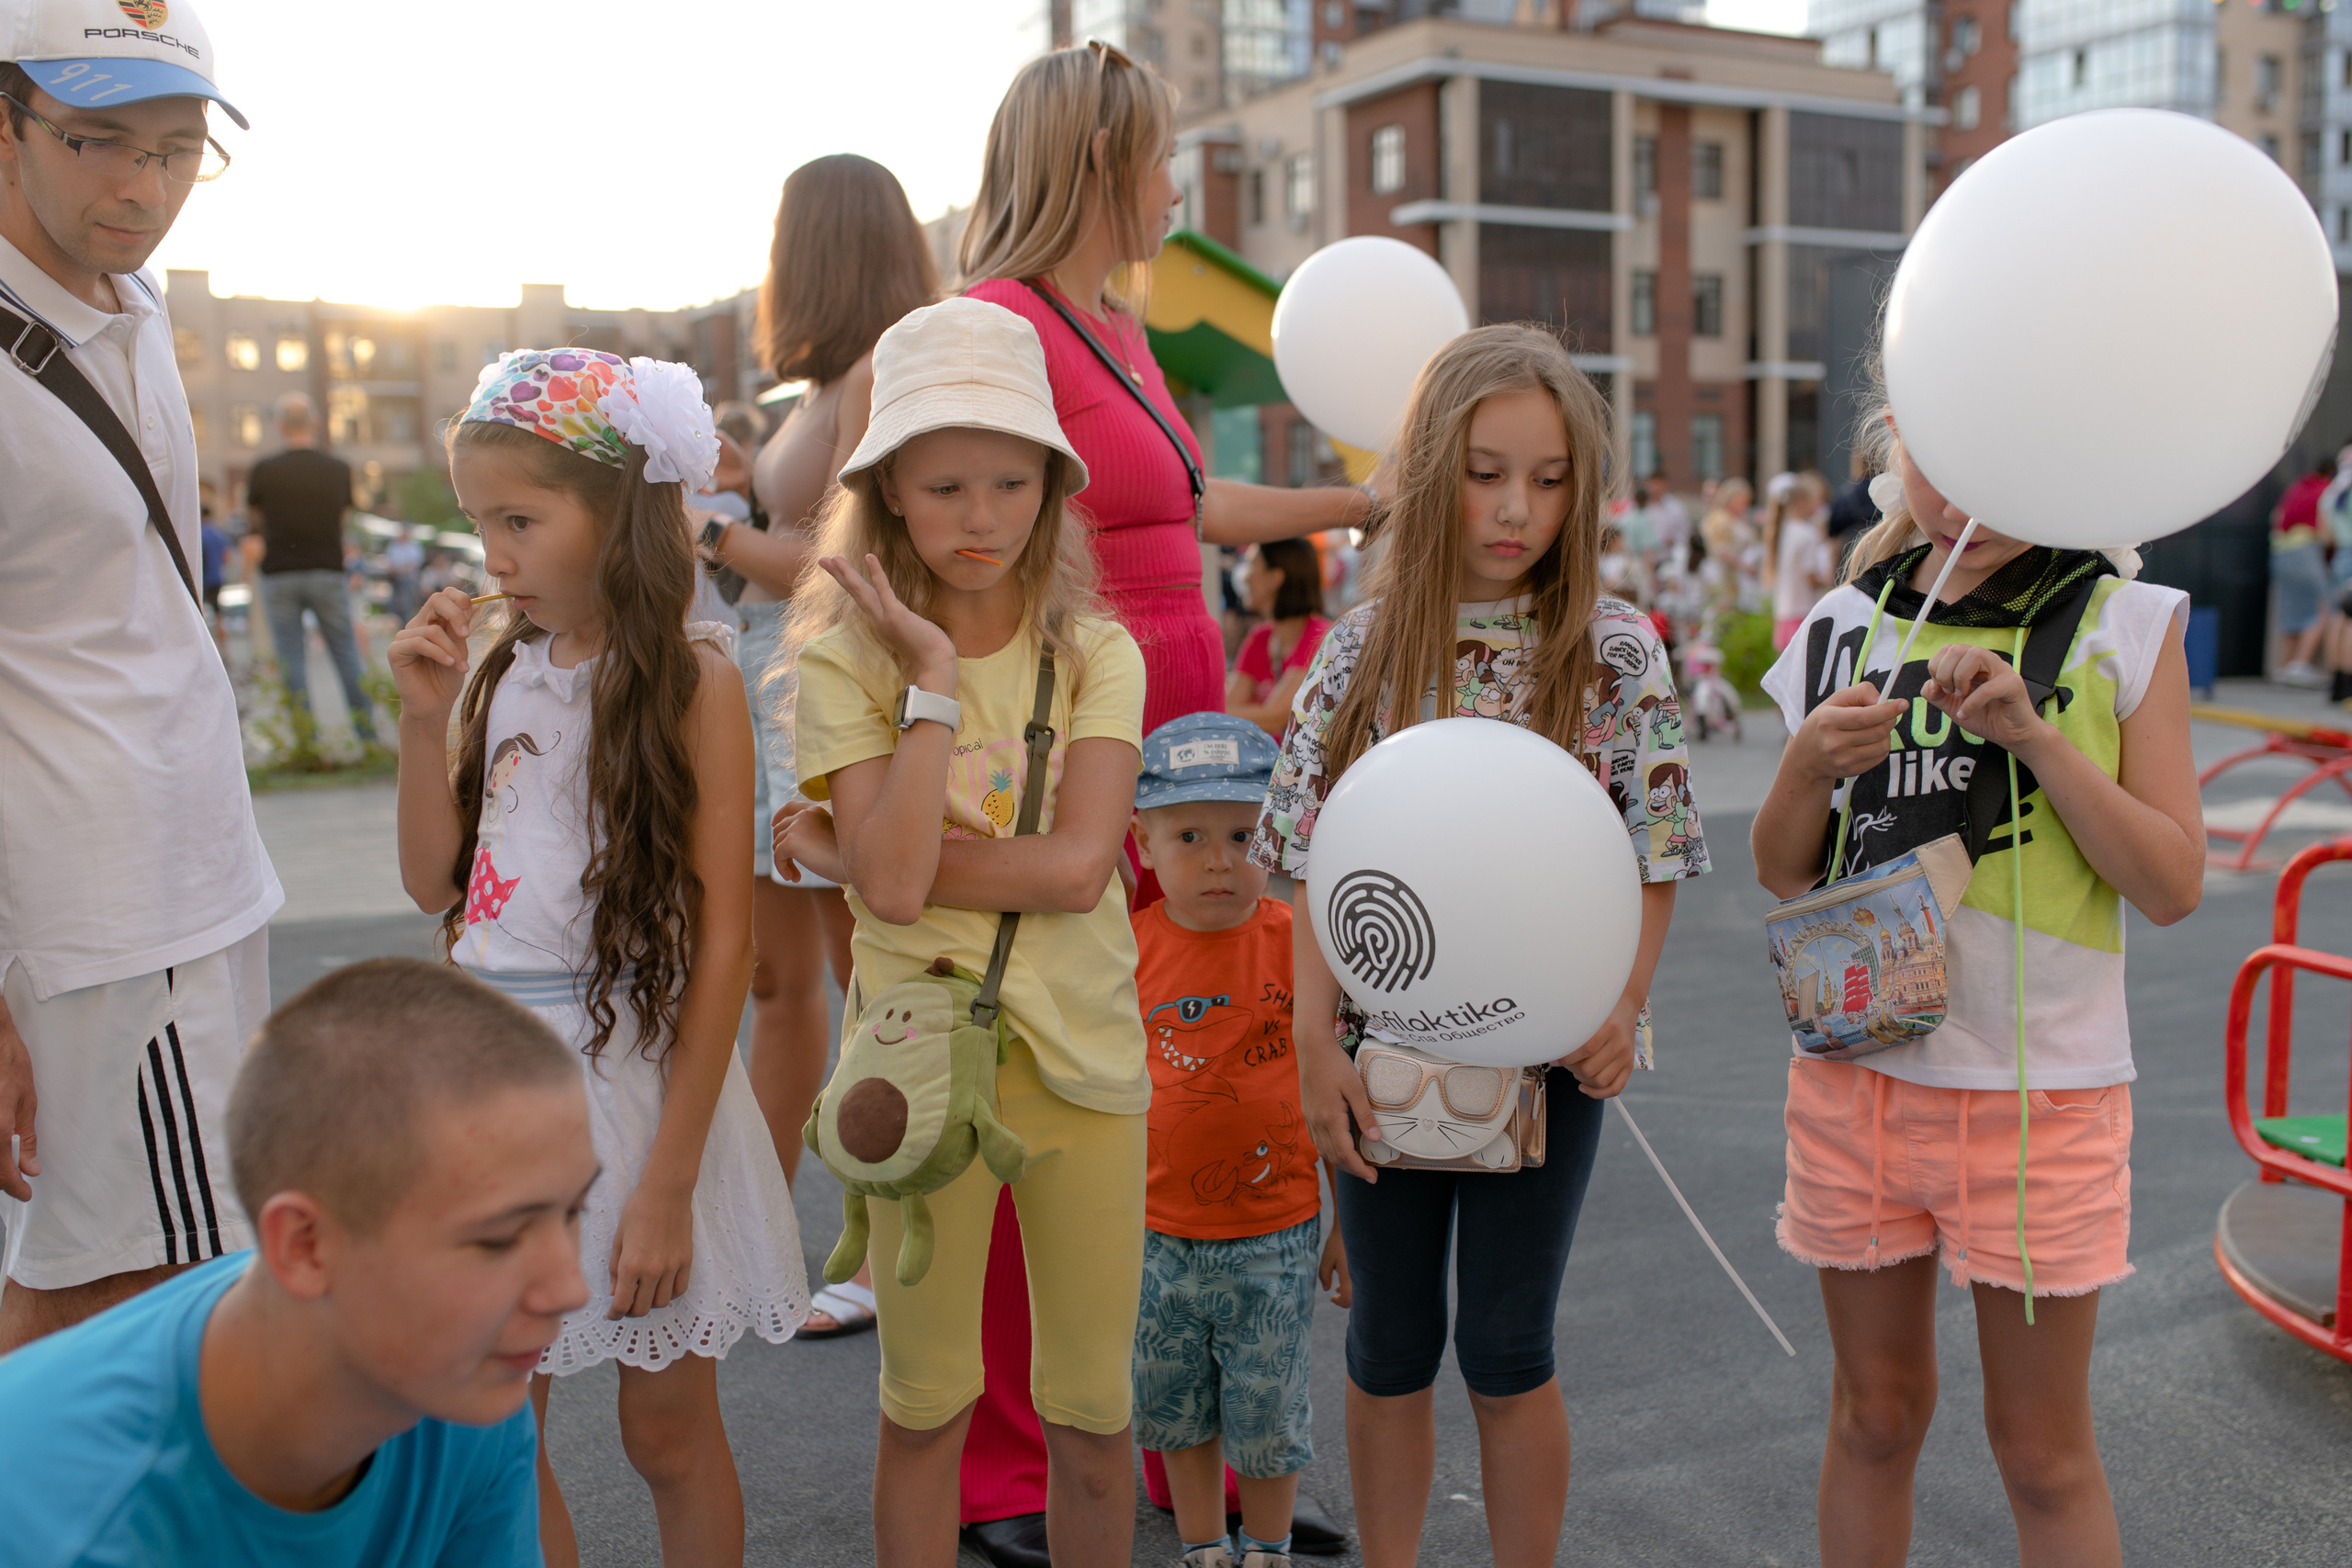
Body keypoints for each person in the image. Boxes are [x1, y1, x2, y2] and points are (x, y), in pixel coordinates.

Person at [952, 47, 1371, 1559]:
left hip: (1184, 734)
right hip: (1088, 743)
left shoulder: (1113, 322)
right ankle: (1010, 1472)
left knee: (1159, 1098)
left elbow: (1189, 511)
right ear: (1096, 160)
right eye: (1162, 158)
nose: (1179, 186)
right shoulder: (997, 327)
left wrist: (1363, 504)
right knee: (1054, 1097)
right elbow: (973, 538)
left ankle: (1161, 1454)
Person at [1253, 325, 1704, 1568]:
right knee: (1389, 1341)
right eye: (1487, 469)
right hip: (1377, 1050)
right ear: (1433, 464)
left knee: (1511, 1348)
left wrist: (1625, 1002)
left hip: (1554, 1055)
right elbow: (1300, 858)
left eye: (1549, 478)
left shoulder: (1614, 653)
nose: (1516, 507)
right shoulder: (1356, 651)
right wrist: (1309, 1046)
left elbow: (1653, 845)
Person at [1750, 385, 2202, 1568]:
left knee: (2042, 1451)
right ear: (1896, 441)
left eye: (2014, 453)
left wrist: (2039, 741)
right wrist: (1804, 763)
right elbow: (1782, 869)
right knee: (1872, 1418)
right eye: (1948, 453)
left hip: (2042, 1096)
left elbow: (2170, 883)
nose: (1975, 493)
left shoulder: (2123, 620)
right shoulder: (1845, 618)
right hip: (1855, 1075)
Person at [390, 349, 808, 1567]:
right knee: (497, 1430)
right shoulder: (497, 668)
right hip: (487, 1088)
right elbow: (435, 881)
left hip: (632, 1086)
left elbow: (726, 939)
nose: (495, 555)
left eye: (518, 519)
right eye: (481, 524)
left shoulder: (692, 677)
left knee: (669, 1425)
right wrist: (423, 719)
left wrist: (669, 1182)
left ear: (617, 514)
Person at [769, 296, 1148, 1568]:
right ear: (884, 496)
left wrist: (883, 852)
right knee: (923, 1398)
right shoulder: (846, 664)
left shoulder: (1098, 651)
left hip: (1084, 1065)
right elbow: (885, 887)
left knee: (1093, 1407)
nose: (980, 516)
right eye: (942, 486)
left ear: (1051, 481)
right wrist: (930, 676)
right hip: (916, 1064)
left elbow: (1081, 861)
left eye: (1009, 480)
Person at [0, 6, 283, 1354]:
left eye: (177, 151)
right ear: (4, 121)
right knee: (121, 1292)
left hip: (193, 876)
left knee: (162, 1269)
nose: (142, 188)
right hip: (101, 913)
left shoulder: (132, 298)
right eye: (95, 139)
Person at [0, 958, 596, 1564]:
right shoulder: (72, 1526)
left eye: (575, 1211)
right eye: (497, 1240)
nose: (569, 1288)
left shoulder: (463, 1384)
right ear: (303, 1245)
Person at [710, 152, 936, 1339]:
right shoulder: (835, 376)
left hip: (818, 689)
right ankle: (755, 1238)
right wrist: (748, 498)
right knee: (786, 984)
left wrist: (710, 526)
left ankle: (884, 1236)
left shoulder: (875, 364)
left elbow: (846, 562)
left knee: (865, 984)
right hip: (779, 686)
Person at [1128, 713, 1351, 1568]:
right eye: (1189, 834)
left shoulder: (1301, 942)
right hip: (1156, 1234)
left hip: (1275, 1232)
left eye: (1242, 832)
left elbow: (1338, 1095)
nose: (1219, 858)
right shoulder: (1128, 947)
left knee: (1267, 1413)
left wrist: (1346, 1227)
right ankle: (1199, 1547)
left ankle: (1268, 1545)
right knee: (1175, 1409)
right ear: (1143, 842)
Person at [247, 391, 379, 744]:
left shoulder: (264, 470)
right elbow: (342, 520)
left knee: (291, 657)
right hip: (326, 568)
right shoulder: (337, 469)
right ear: (315, 424)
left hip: (279, 573)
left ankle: (307, 741)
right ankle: (366, 736)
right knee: (346, 653)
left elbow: (255, 521)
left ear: (280, 426)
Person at [1226, 537, 1330, 739]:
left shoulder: (1319, 635)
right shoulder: (1260, 637)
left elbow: (1276, 716)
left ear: (1274, 578)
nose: (1245, 577)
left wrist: (1209, 712)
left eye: (1250, 566)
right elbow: (1229, 706)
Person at [2269, 454, 2334, 688]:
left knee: (2292, 609)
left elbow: (2277, 517)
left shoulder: (2298, 487)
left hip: (2280, 551)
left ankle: (2285, 666)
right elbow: (2326, 526)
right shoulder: (2326, 489)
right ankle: (2301, 664)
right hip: (2306, 549)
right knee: (2321, 606)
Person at [1767, 471, 1834, 650]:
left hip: (1784, 611)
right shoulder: (1806, 533)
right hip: (1803, 610)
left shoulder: (1783, 530)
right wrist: (1829, 583)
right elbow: (1810, 576)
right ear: (1802, 502)